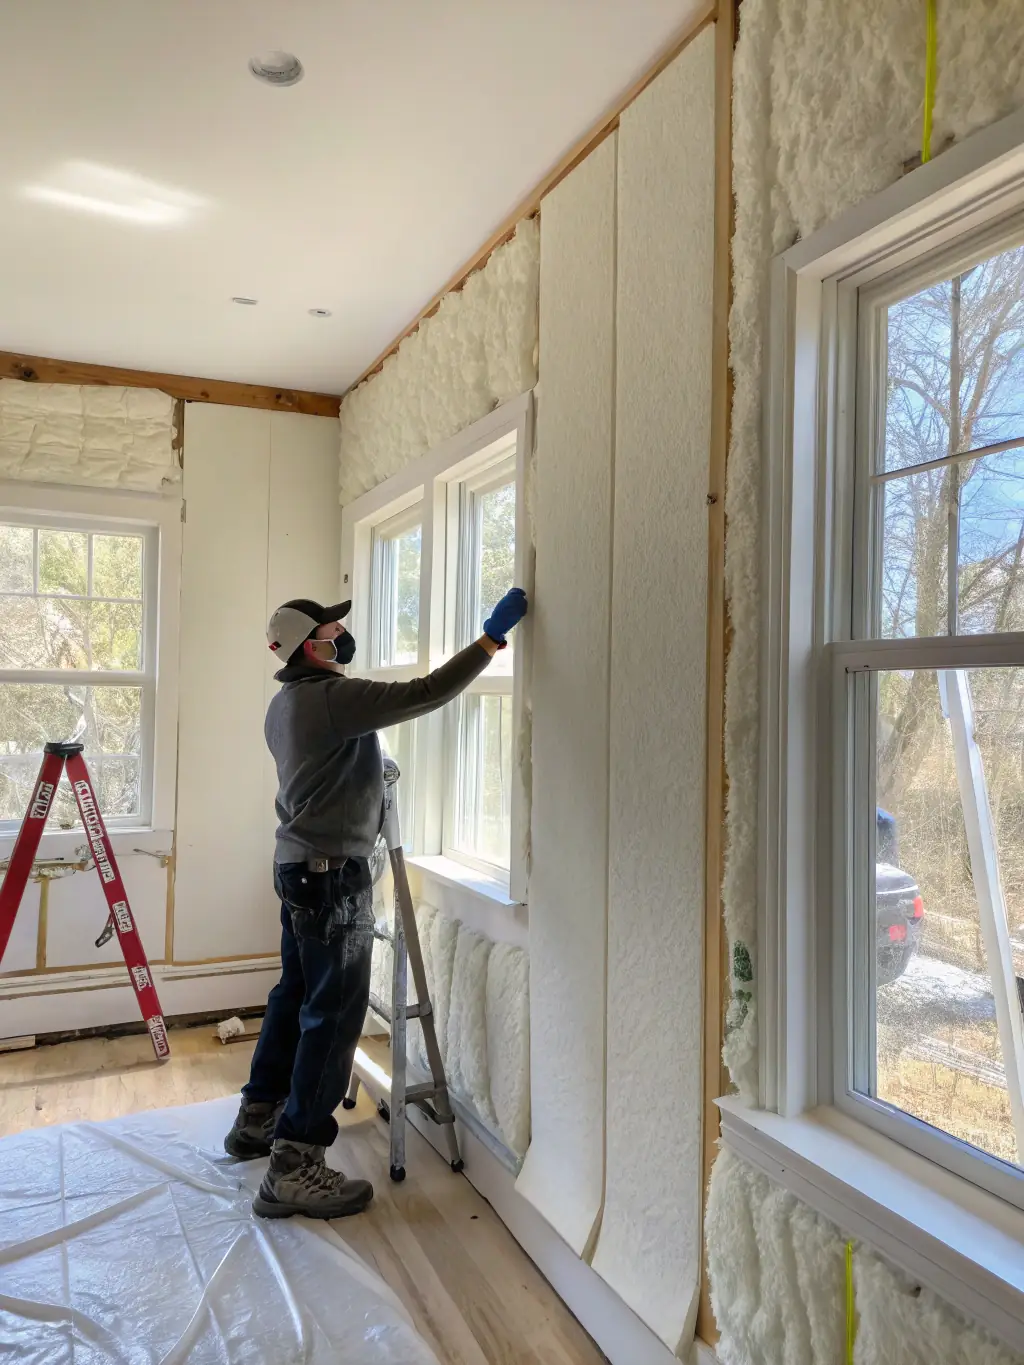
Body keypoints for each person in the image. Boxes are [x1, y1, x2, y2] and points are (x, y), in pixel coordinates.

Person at [224, 586, 528, 1220]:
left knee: (295, 994)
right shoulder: (330, 699)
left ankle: (259, 1116)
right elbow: (427, 692)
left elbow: (332, 767)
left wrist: (366, 771)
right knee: (333, 1017)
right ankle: (295, 1162)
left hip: (296, 868)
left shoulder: (284, 704)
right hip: (331, 877)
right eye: (334, 630)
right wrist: (491, 640)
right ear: (311, 645)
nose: (343, 637)